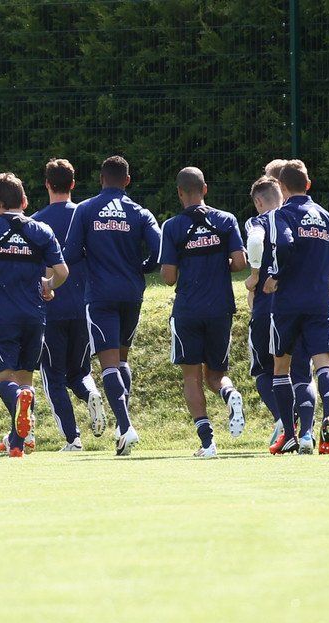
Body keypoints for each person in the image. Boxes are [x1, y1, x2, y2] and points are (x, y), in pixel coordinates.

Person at [62, 156, 161, 456]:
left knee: (108, 364)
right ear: (127, 180)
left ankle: (126, 426)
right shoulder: (140, 212)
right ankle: (121, 426)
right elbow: (159, 251)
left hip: (100, 295)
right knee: (122, 360)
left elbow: (70, 253)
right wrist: (142, 267)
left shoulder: (85, 209)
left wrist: (91, 257)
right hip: (131, 293)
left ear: (101, 179)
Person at [0, 172, 69, 457]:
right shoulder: (42, 230)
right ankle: (18, 444)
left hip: (0, 316)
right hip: (34, 316)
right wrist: (48, 285)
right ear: (24, 201)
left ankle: (18, 403)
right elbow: (62, 272)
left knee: (5, 380)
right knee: (26, 379)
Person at [158, 167, 247, 458]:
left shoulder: (172, 226)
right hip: (220, 308)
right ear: (205, 189)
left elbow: (168, 277)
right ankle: (230, 394)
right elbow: (240, 262)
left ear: (179, 193)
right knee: (216, 376)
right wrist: (220, 265)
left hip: (188, 311)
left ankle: (207, 442)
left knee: (192, 377)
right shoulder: (226, 220)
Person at [262, 160, 329, 454]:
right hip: (319, 301)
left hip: (287, 303)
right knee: (323, 362)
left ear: (281, 187)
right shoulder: (325, 216)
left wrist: (276, 275)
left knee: (281, 368)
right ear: (308, 185)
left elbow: (285, 245)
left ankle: (290, 435)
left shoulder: (280, 215)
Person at [30, 159, 107, 451]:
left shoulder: (36, 222)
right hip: (84, 306)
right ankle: (91, 394)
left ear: (47, 184)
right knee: (80, 372)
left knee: (53, 376)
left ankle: (73, 438)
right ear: (73, 184)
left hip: (50, 309)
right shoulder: (85, 215)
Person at [244, 174, 315, 448]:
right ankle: (306, 432)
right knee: (301, 373)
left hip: (266, 308)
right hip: (299, 307)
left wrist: (254, 275)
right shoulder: (296, 221)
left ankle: (285, 424)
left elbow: (255, 242)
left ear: (259, 202)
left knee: (265, 371)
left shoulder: (259, 221)